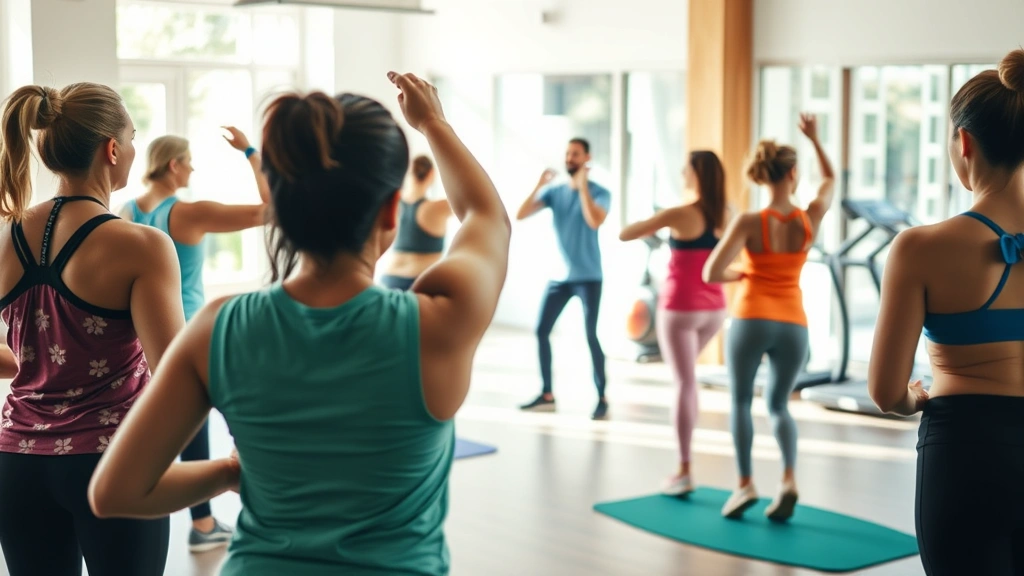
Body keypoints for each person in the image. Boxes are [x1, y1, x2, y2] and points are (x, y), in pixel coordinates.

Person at [88, 72, 511, 575]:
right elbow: (486, 216)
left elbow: (115, 492)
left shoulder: (218, 328)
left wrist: (228, 472)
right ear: (390, 211)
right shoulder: (440, 321)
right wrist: (432, 123)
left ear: (282, 211)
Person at [0, 83, 184, 575]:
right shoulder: (141, 244)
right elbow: (175, 371)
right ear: (112, 149)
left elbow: (12, 354)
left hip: (17, 462)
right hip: (113, 461)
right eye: (133, 135)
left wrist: (43, 357)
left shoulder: (8, 234)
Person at [868, 49, 1024, 576]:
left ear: (964, 142)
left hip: (967, 451)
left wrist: (913, 398)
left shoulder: (920, 247)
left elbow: (886, 392)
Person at [122, 128, 270, 551]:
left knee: (187, 422)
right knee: (214, 419)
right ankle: (207, 524)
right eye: (188, 161)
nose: (192, 168)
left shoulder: (126, 211)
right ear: (174, 165)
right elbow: (270, 210)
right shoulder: (186, 213)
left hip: (144, 337)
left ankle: (203, 522)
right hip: (189, 332)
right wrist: (250, 152)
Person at [703, 114, 834, 521]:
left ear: (763, 176)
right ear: (793, 173)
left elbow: (711, 272)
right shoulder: (808, 218)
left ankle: (744, 485)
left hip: (751, 318)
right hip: (794, 323)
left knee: (741, 400)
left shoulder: (748, 222)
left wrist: (742, 271)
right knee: (779, 405)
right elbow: (830, 182)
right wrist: (813, 139)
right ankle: (789, 480)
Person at [619, 150, 729, 496]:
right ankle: (683, 466)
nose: (683, 172)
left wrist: (657, 220)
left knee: (684, 383)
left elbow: (626, 234)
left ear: (697, 174)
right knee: (689, 380)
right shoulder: (727, 214)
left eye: (687, 168)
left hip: (680, 309)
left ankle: (683, 470)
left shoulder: (680, 213)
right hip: (714, 310)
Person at [517, 138, 613, 420]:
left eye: (576, 154)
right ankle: (547, 395)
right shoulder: (554, 192)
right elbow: (521, 214)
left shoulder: (600, 192)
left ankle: (602, 397)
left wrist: (582, 186)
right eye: (568, 153)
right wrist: (539, 184)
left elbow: (595, 220)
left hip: (589, 277)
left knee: (590, 335)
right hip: (560, 277)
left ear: (587, 158)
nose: (570, 158)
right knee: (541, 330)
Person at [380, 154, 452, 291]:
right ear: (431, 174)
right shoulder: (437, 208)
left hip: (388, 279)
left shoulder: (393, 203)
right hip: (418, 282)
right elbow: (471, 205)